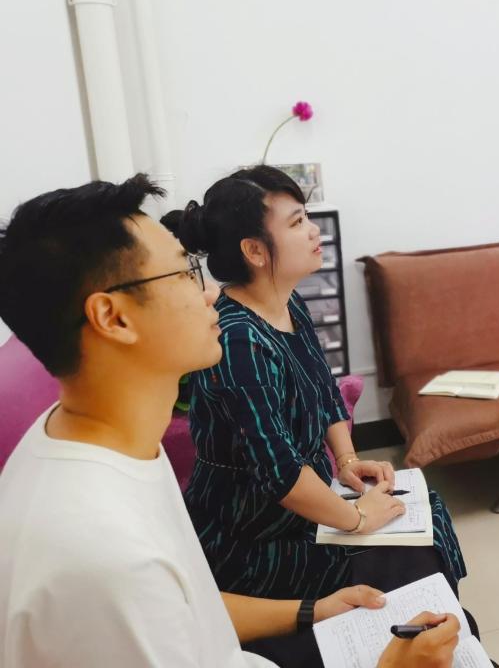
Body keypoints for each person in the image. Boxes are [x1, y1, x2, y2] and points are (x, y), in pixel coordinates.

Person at [0, 175, 459, 667]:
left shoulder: (112, 449)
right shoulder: (103, 559)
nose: (208, 294)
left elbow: (192, 611)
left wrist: (312, 611)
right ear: (113, 318)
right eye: (183, 275)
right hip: (256, 539)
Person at [161, 166, 467, 605]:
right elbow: (281, 473)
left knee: (426, 513)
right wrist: (357, 519)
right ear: (254, 250)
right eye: (296, 223)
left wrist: (346, 460)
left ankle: (443, 632)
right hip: (251, 540)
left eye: (306, 217)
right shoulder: (238, 340)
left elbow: (323, 388)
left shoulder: (289, 303)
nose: (312, 231)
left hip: (305, 510)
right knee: (409, 551)